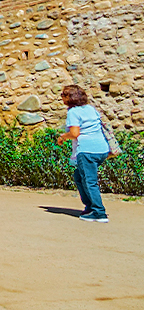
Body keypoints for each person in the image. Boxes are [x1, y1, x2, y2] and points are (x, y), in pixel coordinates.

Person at [57, 84, 111, 222]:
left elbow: (75, 133)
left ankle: (99, 212)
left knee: (89, 181)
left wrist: (63, 137)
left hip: (87, 150)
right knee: (79, 176)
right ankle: (90, 206)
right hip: (102, 149)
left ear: (69, 97)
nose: (61, 97)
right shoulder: (90, 109)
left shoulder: (73, 112)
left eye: (63, 94)